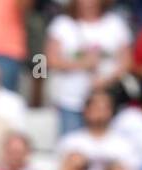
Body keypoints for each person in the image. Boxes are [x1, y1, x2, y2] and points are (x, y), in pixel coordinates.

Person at [46, 0, 133, 136]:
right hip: (71, 100)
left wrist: (106, 81)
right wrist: (83, 64)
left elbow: (127, 62)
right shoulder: (63, 24)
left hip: (106, 102)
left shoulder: (115, 24)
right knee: (71, 145)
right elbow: (50, 60)